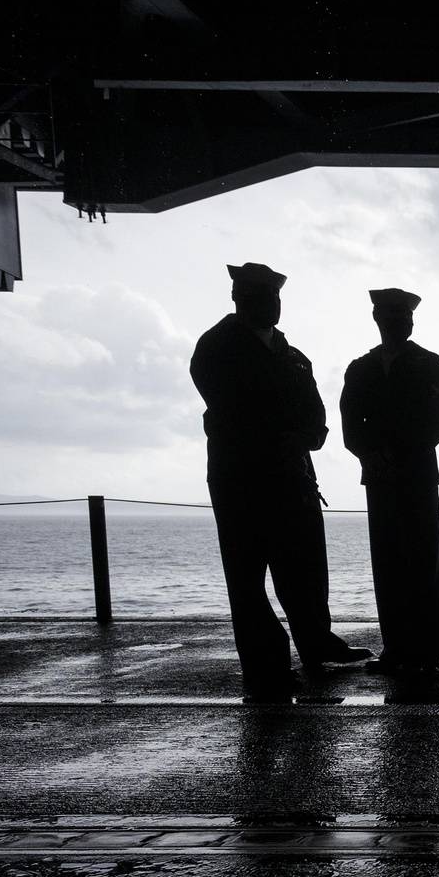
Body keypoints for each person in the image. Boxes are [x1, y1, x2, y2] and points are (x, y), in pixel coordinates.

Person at [190, 262, 372, 701]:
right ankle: (266, 661)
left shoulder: (293, 355)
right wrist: (282, 434)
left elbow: (316, 415)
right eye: (261, 297)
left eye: (275, 298)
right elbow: (229, 407)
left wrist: (306, 436)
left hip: (293, 476)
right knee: (247, 576)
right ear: (238, 299)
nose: (271, 305)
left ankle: (316, 644)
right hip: (242, 479)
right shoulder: (216, 347)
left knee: (305, 568)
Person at [340, 288, 439, 677]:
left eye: (405, 317)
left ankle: (434, 648)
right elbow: (350, 423)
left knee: (426, 562)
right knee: (387, 562)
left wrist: (396, 452)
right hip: (379, 476)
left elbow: (437, 423)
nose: (400, 324)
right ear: (377, 319)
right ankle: (396, 646)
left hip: (417, 473)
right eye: (392, 317)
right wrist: (370, 455)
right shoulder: (361, 368)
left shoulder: (431, 364)